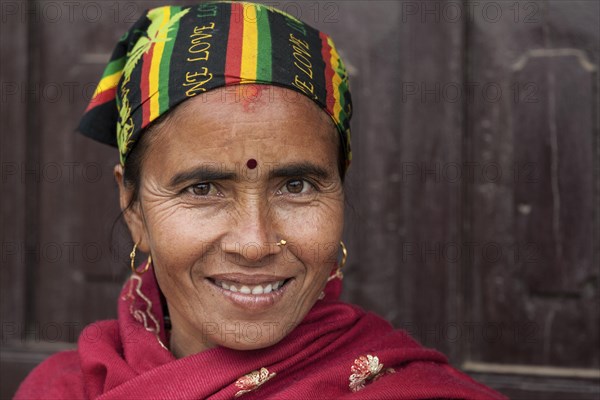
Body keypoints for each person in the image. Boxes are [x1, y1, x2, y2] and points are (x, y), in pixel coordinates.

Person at [16, 2, 506, 399]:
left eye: (296, 186)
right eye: (201, 188)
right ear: (133, 207)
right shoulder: (60, 390)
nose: (255, 243)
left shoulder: (410, 391)